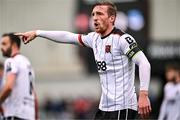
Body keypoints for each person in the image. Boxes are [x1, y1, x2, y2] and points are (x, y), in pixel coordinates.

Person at [16, 1, 151, 119]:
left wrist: (143, 94)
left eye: (99, 14)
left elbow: (144, 63)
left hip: (123, 107)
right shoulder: (93, 38)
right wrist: (38, 33)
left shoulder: (122, 39)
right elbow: (67, 37)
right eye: (93, 14)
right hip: (104, 108)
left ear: (112, 18)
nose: (95, 18)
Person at [0, 33, 38, 120]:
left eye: (4, 44)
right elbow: (34, 96)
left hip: (15, 113)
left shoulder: (11, 61)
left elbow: (9, 87)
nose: (1, 48)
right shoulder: (27, 63)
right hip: (29, 115)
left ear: (13, 44)